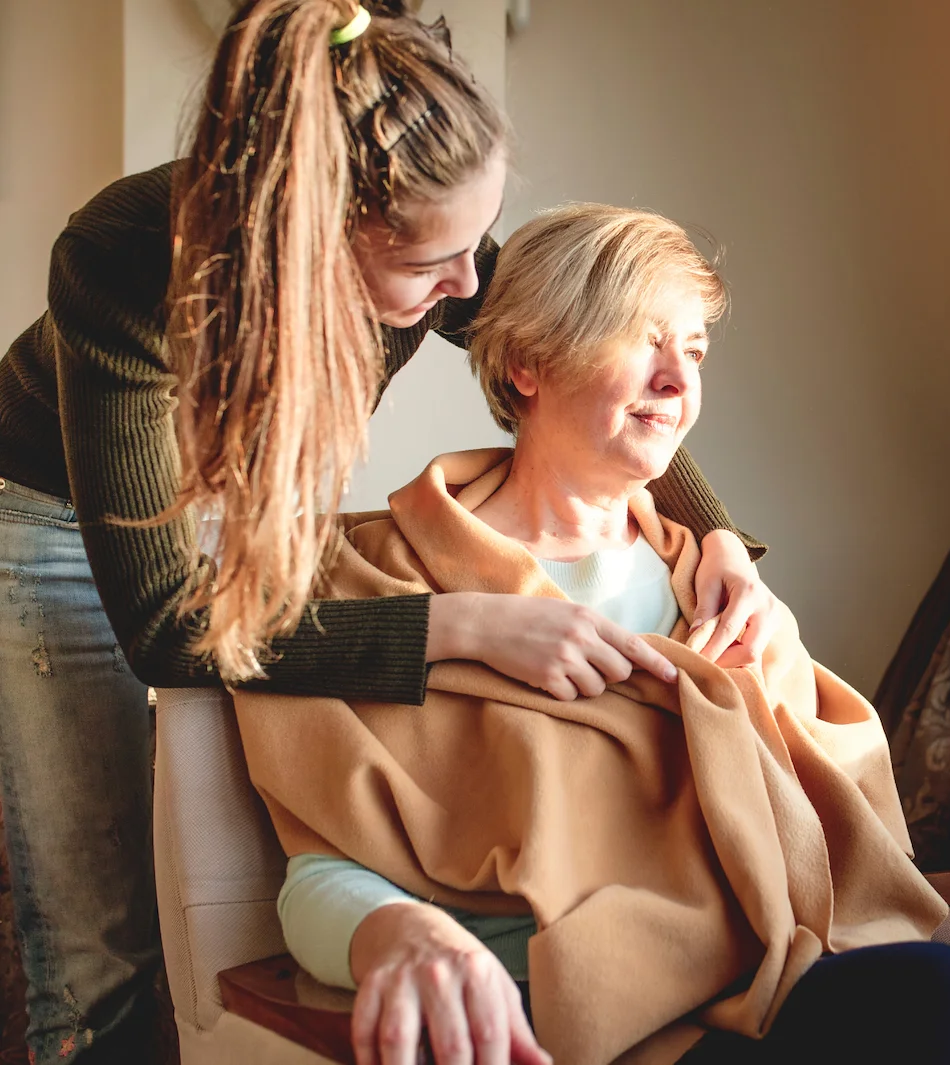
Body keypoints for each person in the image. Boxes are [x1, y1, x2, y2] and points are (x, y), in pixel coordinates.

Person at [0, 4, 778, 1061]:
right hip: (43, 515)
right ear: (311, 243)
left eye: (475, 247)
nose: (467, 289)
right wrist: (458, 626)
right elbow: (169, 632)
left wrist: (714, 529)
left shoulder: (431, 227)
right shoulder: (125, 265)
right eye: (431, 271)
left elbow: (558, 338)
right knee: (101, 949)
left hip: (226, 496)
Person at [245, 204, 950, 1065]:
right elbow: (321, 870)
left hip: (756, 984)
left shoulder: (719, 590)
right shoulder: (383, 584)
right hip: (553, 1013)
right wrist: (395, 931)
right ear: (529, 363)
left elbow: (835, 840)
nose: (679, 383)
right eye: (640, 339)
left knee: (944, 995)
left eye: (692, 350)